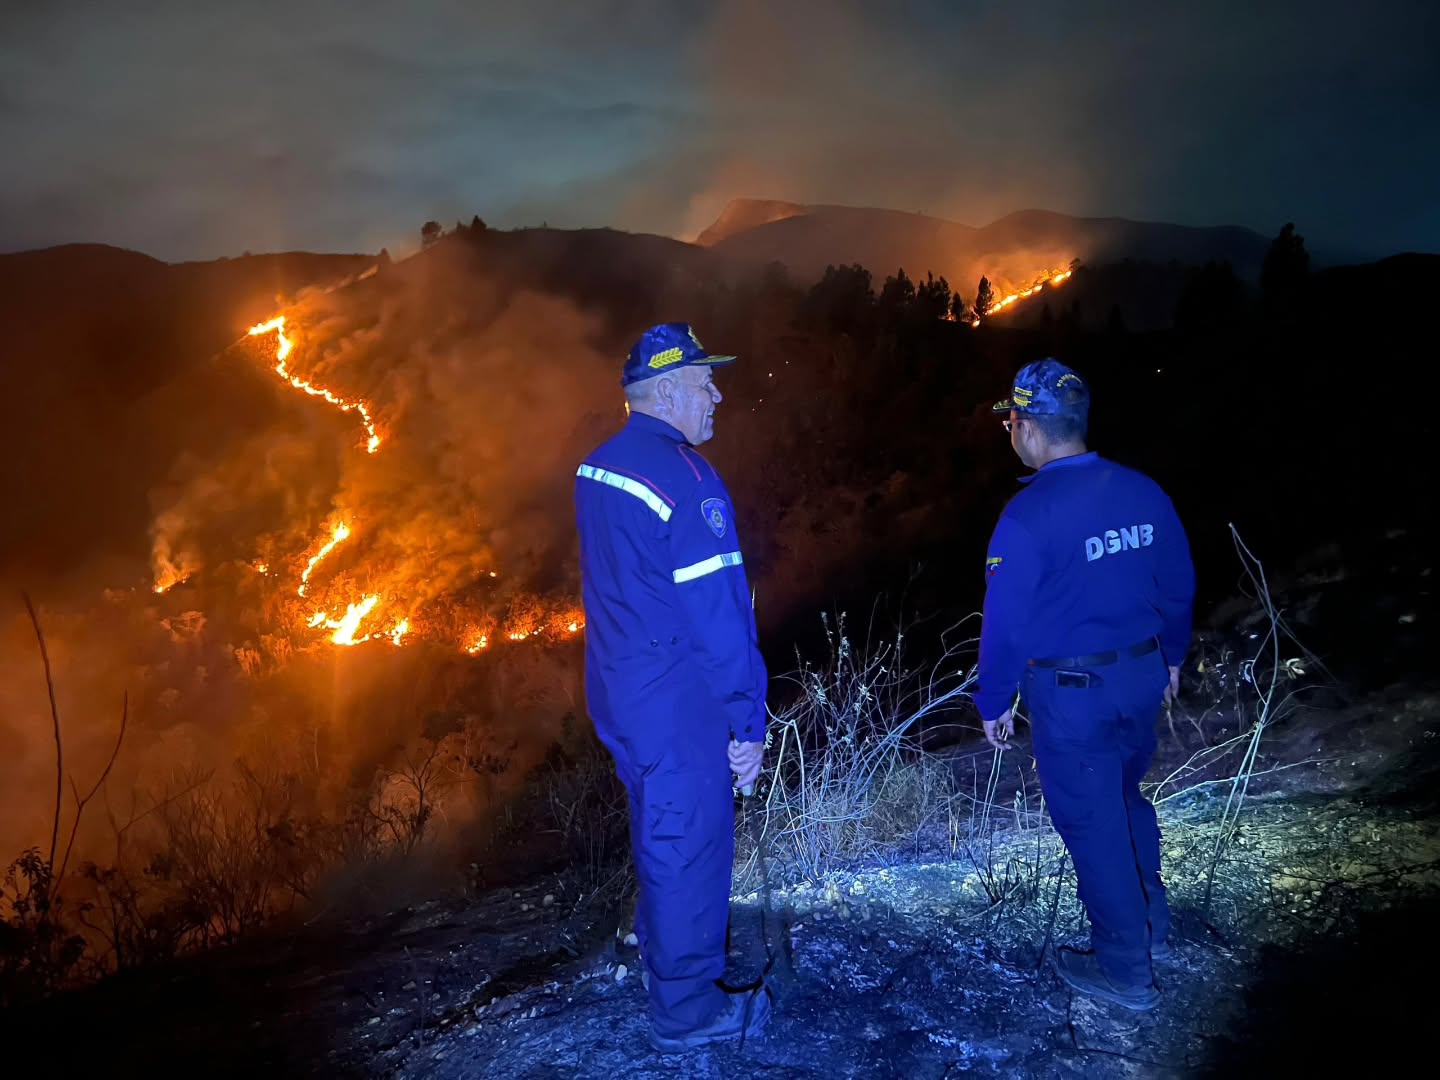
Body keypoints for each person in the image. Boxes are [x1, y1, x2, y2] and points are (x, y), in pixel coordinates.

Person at [975, 358, 1196, 1011]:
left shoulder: (1026, 516)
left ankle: (1125, 967)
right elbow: (1177, 585)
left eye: (1012, 422)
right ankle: (1152, 926)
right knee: (1126, 798)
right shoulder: (1143, 491)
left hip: (1073, 696)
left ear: (1031, 430)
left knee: (1092, 820)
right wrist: (1174, 657)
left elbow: (1006, 626)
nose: (1011, 433)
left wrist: (994, 698)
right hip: (1140, 674)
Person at [573, 322, 771, 1052]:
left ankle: (657, 948)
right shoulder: (688, 480)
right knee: (690, 836)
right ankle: (687, 1009)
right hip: (676, 694)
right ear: (664, 392)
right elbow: (719, 615)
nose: (718, 394)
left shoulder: (596, 468)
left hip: (620, 690)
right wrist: (746, 720)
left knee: (657, 819)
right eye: (704, 382)